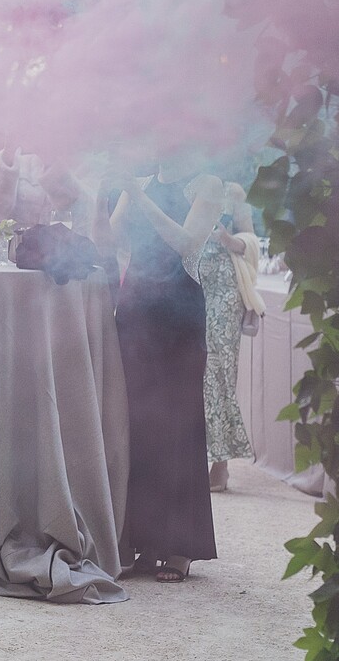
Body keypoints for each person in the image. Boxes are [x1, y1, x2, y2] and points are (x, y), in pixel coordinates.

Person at [108, 169, 224, 582]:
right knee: (137, 426)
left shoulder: (208, 184)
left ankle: (179, 546)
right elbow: (113, 236)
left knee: (178, 424)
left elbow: (186, 242)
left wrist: (140, 198)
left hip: (179, 312)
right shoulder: (139, 181)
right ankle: (144, 541)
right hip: (135, 307)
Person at [201, 181, 259, 492]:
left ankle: (220, 465)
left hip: (224, 294)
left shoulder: (232, 191)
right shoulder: (184, 184)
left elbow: (250, 240)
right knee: (194, 374)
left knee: (219, 373)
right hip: (191, 286)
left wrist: (225, 238)